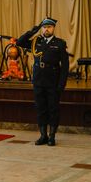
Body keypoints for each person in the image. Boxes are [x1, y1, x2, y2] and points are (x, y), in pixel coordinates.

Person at [17, 17, 69, 146]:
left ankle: (52, 136)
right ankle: (43, 135)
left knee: (53, 109)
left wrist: (61, 84)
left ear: (53, 28)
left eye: (49, 27)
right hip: (38, 80)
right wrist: (34, 30)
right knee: (41, 109)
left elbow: (65, 66)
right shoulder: (36, 42)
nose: (46, 29)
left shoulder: (60, 43)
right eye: (44, 27)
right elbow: (20, 42)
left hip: (53, 81)